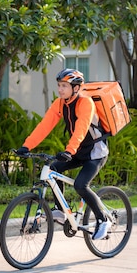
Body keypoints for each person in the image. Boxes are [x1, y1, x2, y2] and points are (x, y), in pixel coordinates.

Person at [16, 68, 111, 240]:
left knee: (81, 185)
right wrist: (27, 146)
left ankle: (103, 220)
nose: (60, 89)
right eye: (59, 85)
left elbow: (81, 129)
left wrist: (69, 150)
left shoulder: (86, 103)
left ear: (75, 88)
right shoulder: (61, 103)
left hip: (95, 151)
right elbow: (45, 125)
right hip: (78, 151)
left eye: (64, 86)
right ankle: (60, 210)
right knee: (53, 168)